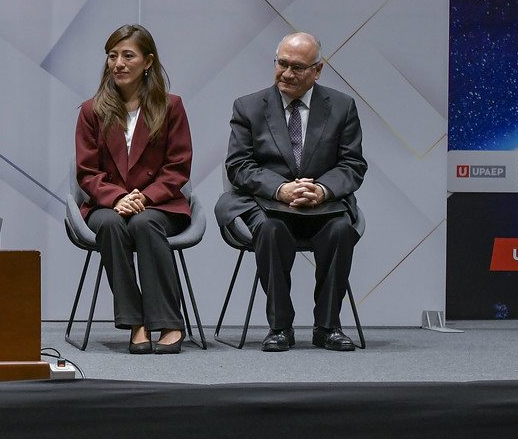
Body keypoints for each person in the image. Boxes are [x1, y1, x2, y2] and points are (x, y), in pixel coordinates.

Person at [219, 32, 365, 353]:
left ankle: (327, 327)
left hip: (321, 205)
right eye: (281, 64)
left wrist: (323, 190)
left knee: (341, 230)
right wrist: (281, 189)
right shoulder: (248, 107)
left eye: (297, 67)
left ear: (318, 70)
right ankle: (280, 327)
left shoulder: (342, 107)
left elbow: (352, 165)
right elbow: (239, 166)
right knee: (271, 231)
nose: (286, 73)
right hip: (267, 203)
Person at [74, 24, 194, 353]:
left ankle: (169, 321)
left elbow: (177, 166)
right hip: (106, 204)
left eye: (128, 56)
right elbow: (87, 172)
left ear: (148, 62)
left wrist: (144, 197)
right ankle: (136, 322)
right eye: (112, 56)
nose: (119, 64)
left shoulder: (170, 106)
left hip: (160, 203)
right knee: (112, 225)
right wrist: (117, 199)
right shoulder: (91, 110)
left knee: (145, 222)